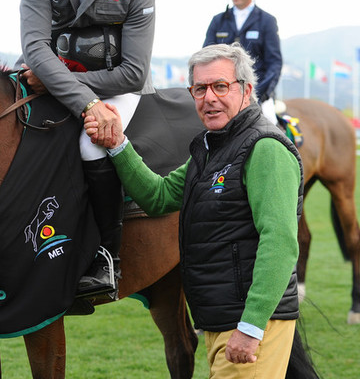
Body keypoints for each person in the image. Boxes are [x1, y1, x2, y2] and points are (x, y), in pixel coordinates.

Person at [86, 43, 303, 377]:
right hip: (219, 320)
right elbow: (157, 197)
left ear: (246, 90)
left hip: (247, 323)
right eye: (200, 89)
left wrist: (252, 326)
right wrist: (118, 145)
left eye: (220, 86)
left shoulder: (265, 149)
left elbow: (280, 243)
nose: (209, 98)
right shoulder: (209, 150)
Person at [19, 0, 156, 298]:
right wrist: (78, 96)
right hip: (56, 82)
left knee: (91, 145)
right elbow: (34, 47)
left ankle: (105, 256)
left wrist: (73, 93)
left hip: (116, 88)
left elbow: (133, 72)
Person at [203, 0, 281, 124]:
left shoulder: (267, 21)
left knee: (271, 125)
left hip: (258, 93)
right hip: (221, 91)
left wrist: (258, 94)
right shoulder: (218, 21)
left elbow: (274, 63)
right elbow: (205, 59)